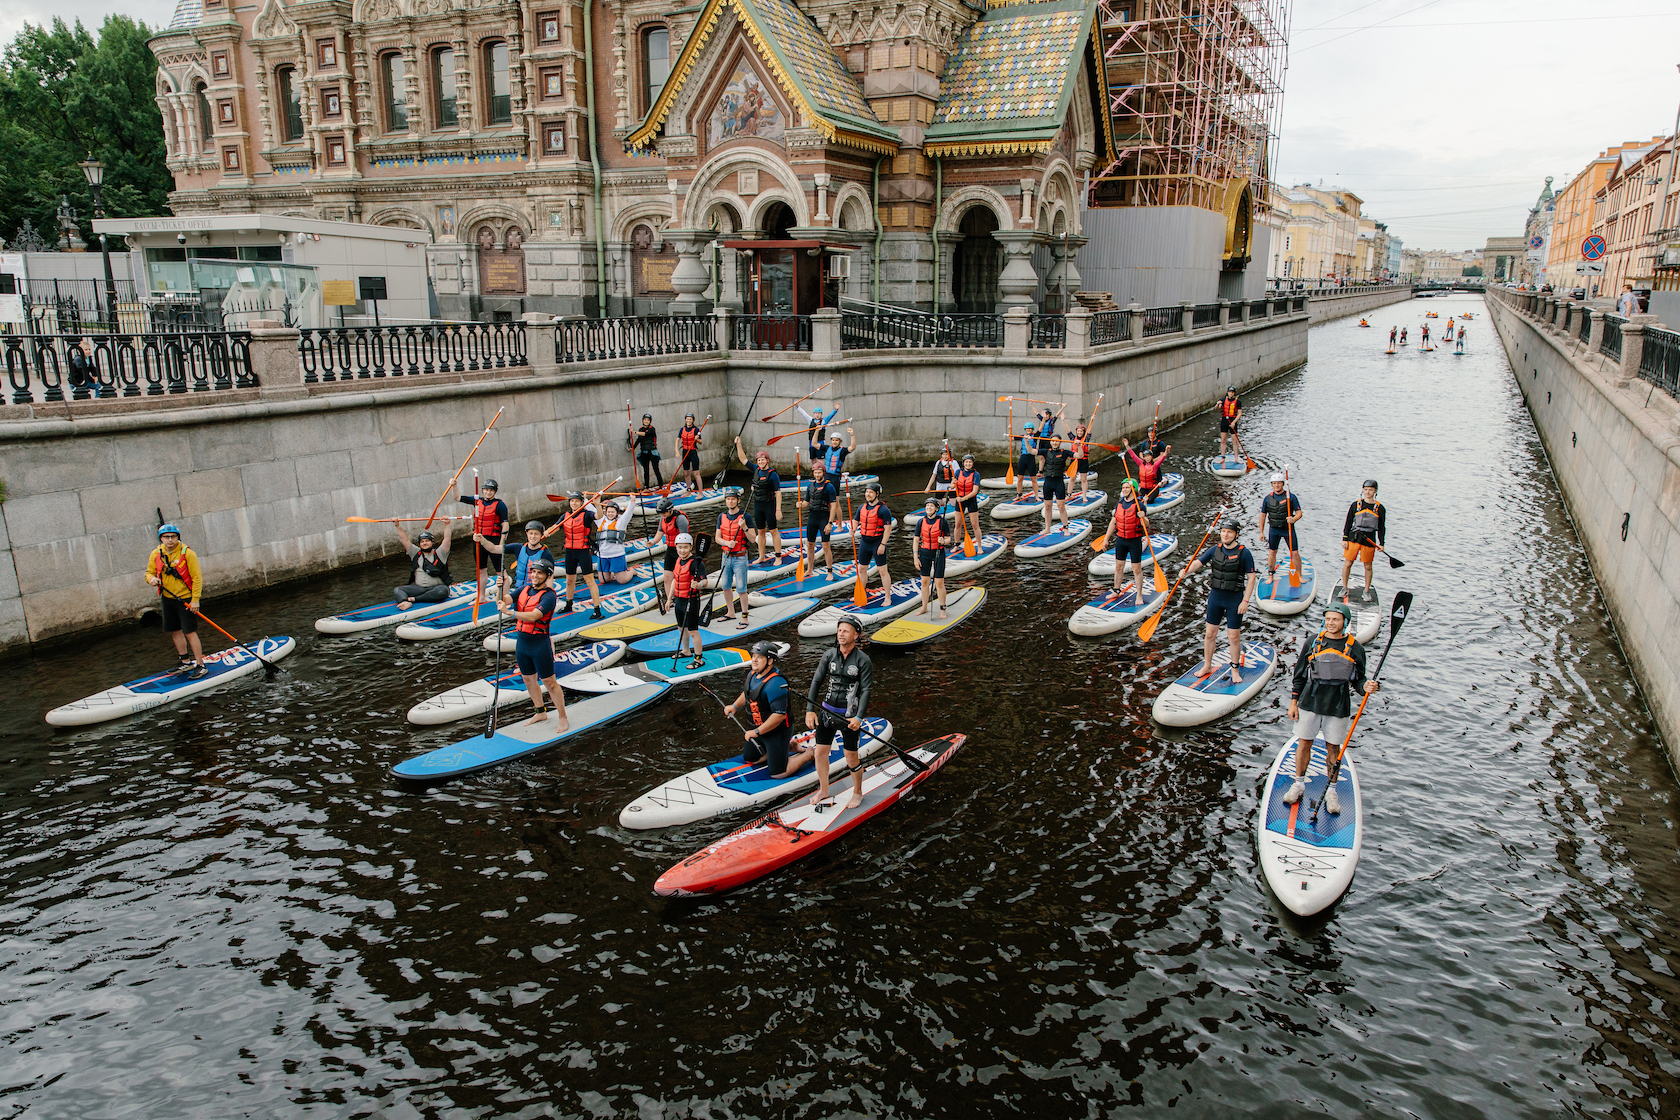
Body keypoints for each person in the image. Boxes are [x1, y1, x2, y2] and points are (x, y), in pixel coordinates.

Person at [1283, 600, 1378, 813]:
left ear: (1345, 622)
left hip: (1338, 703)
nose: (1330, 623)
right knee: (1304, 743)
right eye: (1327, 619)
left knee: (1333, 748)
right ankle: (1298, 784)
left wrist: (1368, 687)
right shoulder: (1312, 642)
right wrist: (1293, 703)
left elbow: (1358, 682)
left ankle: (1332, 791)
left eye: (1335, 619)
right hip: (1310, 700)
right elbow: (1299, 675)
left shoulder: (1356, 648)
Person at [803, 615, 874, 809]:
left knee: (851, 756)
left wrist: (859, 716)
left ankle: (857, 792)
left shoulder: (863, 660)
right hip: (826, 712)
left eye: (845, 631)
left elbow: (866, 689)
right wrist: (810, 710)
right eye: (839, 630)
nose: (841, 634)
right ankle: (824, 790)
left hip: (848, 716)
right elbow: (816, 682)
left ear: (856, 634)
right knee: (820, 753)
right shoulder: (829, 655)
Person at [1183, 517, 1258, 684]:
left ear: (1236, 534)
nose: (1225, 534)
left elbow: (1252, 578)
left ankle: (1235, 669)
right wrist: (1186, 571)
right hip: (1215, 597)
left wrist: (1245, 601)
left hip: (1234, 599)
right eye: (1223, 531)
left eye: (1229, 532)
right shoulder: (1214, 550)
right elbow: (1198, 563)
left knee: (1233, 637)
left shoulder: (1244, 553)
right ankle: (1207, 665)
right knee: (1210, 633)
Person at [498, 557, 568, 729]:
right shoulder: (524, 588)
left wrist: (510, 613)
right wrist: (503, 585)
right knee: (528, 679)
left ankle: (563, 717)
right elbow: (505, 600)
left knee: (549, 682)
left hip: (539, 644)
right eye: (534, 572)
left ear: (547, 576)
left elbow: (534, 616)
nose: (535, 576)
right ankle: (540, 712)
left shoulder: (549, 596)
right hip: (522, 642)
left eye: (539, 573)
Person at [726, 641, 795, 776]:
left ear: (770, 661)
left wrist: (756, 732)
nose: (754, 660)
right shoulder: (752, 674)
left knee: (777, 773)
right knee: (750, 759)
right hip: (759, 730)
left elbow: (779, 715)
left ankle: (808, 754)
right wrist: (734, 706)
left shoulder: (776, 683)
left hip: (777, 732)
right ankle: (789, 747)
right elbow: (748, 694)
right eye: (754, 656)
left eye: (759, 657)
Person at [147, 523, 207, 677]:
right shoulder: (156, 554)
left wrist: (195, 600)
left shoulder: (188, 554)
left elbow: (197, 578)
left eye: (173, 537)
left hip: (185, 599)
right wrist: (151, 579)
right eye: (166, 537)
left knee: (189, 632)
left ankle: (200, 664)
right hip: (168, 599)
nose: (170, 540)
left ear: (177, 538)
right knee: (175, 631)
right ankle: (185, 661)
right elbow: (149, 573)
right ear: (161, 539)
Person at [552, 491, 605, 617]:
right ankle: (569, 604)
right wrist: (545, 533)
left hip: (583, 552)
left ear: (581, 502)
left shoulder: (586, 515)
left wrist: (597, 505)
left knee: (589, 580)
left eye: (577, 501)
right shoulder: (565, 515)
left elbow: (599, 516)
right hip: (570, 552)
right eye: (572, 501)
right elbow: (555, 527)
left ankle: (597, 609)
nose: (574, 503)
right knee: (569, 580)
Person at [460, 479, 509, 605]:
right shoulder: (477, 501)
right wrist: (453, 485)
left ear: (494, 492)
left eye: (491, 490)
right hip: (478, 541)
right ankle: (481, 597)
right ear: (482, 490)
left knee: (500, 572)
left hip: (494, 541)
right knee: (481, 570)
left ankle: (505, 597)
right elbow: (457, 497)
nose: (488, 492)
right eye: (486, 490)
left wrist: (502, 542)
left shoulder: (500, 505)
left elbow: (505, 524)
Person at [1337, 479, 1386, 604]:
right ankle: (1344, 587)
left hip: (1369, 540)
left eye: (1370, 490)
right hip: (1354, 538)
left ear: (1375, 491)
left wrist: (1381, 543)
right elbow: (1348, 522)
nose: (1367, 492)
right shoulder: (1356, 505)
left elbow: (1381, 527)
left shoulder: (1380, 508)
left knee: (1368, 566)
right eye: (1365, 489)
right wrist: (1345, 538)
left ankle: (1366, 590)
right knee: (1348, 563)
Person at [735, 440, 783, 562]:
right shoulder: (756, 469)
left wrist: (778, 510)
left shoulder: (773, 475)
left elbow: (778, 493)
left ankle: (778, 557)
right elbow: (743, 459)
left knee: (773, 531)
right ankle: (761, 557)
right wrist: (739, 444)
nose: (761, 462)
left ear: (767, 461)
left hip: (769, 505)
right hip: (758, 504)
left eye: (763, 459)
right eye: (759, 460)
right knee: (760, 531)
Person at [1258, 472, 1303, 596]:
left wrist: (1293, 519)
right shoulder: (1267, 498)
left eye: (1278, 483)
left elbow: (1299, 513)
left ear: (1283, 484)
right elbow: (1262, 515)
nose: (1276, 485)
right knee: (1272, 552)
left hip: (1287, 529)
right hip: (1274, 529)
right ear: (1272, 485)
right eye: (1274, 483)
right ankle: (1271, 574)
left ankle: (1299, 575)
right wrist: (1261, 532)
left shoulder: (1291, 497)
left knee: (1294, 553)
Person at [714, 488, 754, 628]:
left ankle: (744, 617)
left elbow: (753, 539)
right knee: (725, 587)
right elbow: (717, 538)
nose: (730, 501)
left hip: (740, 558)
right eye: (728, 499)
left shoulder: (746, 517)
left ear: (738, 500)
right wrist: (726, 543)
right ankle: (730, 612)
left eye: (732, 499)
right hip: (726, 556)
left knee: (741, 589)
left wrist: (745, 528)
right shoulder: (721, 516)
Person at [391, 525, 454, 611]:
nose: (424, 543)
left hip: (437, 588)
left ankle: (415, 599)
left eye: (427, 541)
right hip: (420, 588)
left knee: (441, 592)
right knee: (398, 590)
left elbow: (447, 539)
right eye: (422, 541)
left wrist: (447, 523)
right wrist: (397, 526)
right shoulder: (415, 553)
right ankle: (405, 602)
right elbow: (404, 540)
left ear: (432, 542)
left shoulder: (440, 553)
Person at [669, 533, 708, 669]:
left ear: (691, 547)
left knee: (693, 631)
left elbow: (705, 581)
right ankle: (686, 651)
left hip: (691, 600)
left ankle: (698, 659)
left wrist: (698, 585)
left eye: (685, 547)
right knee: (681, 628)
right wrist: (669, 599)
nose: (682, 550)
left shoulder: (696, 563)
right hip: (679, 600)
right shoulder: (678, 560)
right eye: (680, 547)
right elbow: (675, 580)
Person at [1106, 480, 1151, 595]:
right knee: (1118, 567)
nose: (1124, 489)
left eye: (1127, 487)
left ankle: (1139, 595)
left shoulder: (1139, 505)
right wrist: (1106, 539)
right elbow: (1113, 522)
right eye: (1123, 488)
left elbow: (1146, 525)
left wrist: (1143, 518)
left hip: (1134, 541)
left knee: (1136, 569)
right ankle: (1116, 590)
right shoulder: (1119, 504)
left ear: (1133, 489)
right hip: (1121, 540)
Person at [853, 483, 896, 594]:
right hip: (864, 543)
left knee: (882, 571)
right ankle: (861, 593)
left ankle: (887, 597)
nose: (868, 494)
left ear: (877, 494)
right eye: (867, 492)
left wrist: (882, 544)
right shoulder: (861, 507)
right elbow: (856, 520)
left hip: (877, 543)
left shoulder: (883, 510)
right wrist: (853, 529)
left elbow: (888, 529)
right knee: (862, 569)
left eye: (870, 492)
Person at [797, 462, 840, 571]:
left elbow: (834, 506)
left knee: (825, 546)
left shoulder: (829, 487)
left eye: (819, 472)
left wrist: (830, 523)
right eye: (815, 472)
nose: (817, 474)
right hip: (812, 518)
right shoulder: (810, 486)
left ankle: (830, 570)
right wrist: (801, 505)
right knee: (810, 545)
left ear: (823, 473)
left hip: (824, 518)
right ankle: (809, 569)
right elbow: (807, 502)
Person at [913, 497, 951, 618]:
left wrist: (943, 541)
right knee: (924, 582)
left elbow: (949, 539)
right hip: (924, 553)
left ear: (936, 508)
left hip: (938, 553)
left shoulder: (942, 522)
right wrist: (915, 557)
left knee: (939, 582)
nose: (928, 508)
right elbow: (916, 540)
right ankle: (924, 607)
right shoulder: (920, 522)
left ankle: (942, 609)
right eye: (927, 506)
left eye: (931, 506)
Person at [595, 498, 638, 584]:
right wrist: (585, 500)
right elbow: (591, 509)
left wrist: (632, 502)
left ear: (616, 513)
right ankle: (612, 573)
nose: (610, 514)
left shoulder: (620, 522)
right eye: (609, 512)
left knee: (622, 580)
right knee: (604, 580)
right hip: (603, 555)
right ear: (605, 512)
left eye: (612, 512)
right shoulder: (600, 521)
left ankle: (631, 571)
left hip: (616, 555)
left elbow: (628, 514)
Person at [656, 498, 691, 603]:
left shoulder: (680, 519)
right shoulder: (663, 518)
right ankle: (669, 600)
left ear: (670, 510)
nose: (662, 515)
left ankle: (685, 597)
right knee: (667, 577)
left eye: (664, 513)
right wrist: (652, 542)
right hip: (670, 550)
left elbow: (684, 538)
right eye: (661, 513)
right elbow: (659, 533)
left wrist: (682, 552)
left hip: (681, 550)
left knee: (681, 576)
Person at [1123, 435, 1172, 505]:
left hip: (1153, 488)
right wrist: (1127, 446)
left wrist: (1166, 452)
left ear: (1151, 457)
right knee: (1133, 497)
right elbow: (1133, 456)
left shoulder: (1155, 465)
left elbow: (1162, 459)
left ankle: (1163, 483)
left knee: (1149, 500)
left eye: (1149, 456)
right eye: (1146, 457)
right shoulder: (1140, 464)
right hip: (1143, 488)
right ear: (1144, 457)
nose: (1147, 458)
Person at [508, 521, 555, 593]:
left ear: (541, 535)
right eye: (531, 533)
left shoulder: (546, 554)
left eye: (536, 534)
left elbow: (550, 578)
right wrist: (484, 541)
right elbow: (495, 549)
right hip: (518, 590)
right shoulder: (518, 547)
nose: (533, 536)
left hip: (534, 592)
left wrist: (549, 595)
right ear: (527, 534)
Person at [1040, 436, 1074, 534]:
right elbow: (1031, 451)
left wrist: (1078, 445)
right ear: (1050, 442)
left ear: (1060, 442)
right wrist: (1026, 440)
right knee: (1047, 506)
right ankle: (1047, 528)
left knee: (1061, 506)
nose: (1055, 443)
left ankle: (1066, 528)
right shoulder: (1046, 452)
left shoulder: (1065, 452)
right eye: (1053, 441)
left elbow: (1079, 455)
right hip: (1048, 482)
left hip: (1059, 482)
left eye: (1057, 441)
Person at [954, 454, 983, 545]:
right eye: (966, 462)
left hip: (971, 500)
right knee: (958, 525)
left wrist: (964, 499)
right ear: (963, 463)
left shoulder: (976, 474)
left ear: (972, 463)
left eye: (970, 462)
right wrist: (953, 483)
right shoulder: (958, 472)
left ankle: (979, 546)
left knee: (975, 525)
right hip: (959, 500)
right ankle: (956, 544)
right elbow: (951, 486)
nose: (968, 464)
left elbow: (974, 491)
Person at [633, 414, 662, 488]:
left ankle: (660, 486)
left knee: (656, 469)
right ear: (643, 420)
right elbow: (639, 439)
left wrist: (634, 432)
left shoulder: (652, 429)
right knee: (646, 470)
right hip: (644, 452)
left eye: (648, 420)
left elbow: (645, 434)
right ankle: (646, 487)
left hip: (652, 451)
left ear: (650, 421)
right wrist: (633, 447)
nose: (646, 421)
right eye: (645, 419)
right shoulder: (641, 429)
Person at [677, 413, 704, 491]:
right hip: (685, 452)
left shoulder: (696, 430)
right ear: (685, 419)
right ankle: (688, 490)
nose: (688, 421)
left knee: (696, 474)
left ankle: (700, 492)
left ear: (693, 420)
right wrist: (676, 451)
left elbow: (701, 442)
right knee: (686, 473)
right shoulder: (682, 429)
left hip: (693, 452)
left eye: (690, 419)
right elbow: (677, 440)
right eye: (687, 419)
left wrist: (697, 439)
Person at [1014, 422, 1040, 500]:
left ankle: (1037, 496)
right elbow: (1011, 437)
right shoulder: (1022, 437)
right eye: (1027, 429)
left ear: (1032, 430)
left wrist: (1044, 419)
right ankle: (1018, 495)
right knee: (1020, 478)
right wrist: (1009, 428)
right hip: (1023, 458)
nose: (1028, 430)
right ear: (1025, 429)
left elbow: (1040, 429)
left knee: (1033, 479)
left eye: (1030, 429)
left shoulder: (1035, 436)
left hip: (1031, 459)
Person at [1217, 387, 1243, 460]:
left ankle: (1236, 458)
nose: (1231, 393)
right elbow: (1216, 409)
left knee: (1234, 440)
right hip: (1224, 421)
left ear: (1234, 393)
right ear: (1227, 392)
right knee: (1223, 440)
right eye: (1229, 392)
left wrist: (1234, 422)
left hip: (1233, 421)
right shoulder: (1223, 400)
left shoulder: (1238, 401)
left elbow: (1240, 413)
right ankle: (1222, 457)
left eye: (1232, 392)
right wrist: (1217, 404)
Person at [1068, 420, 1092, 496]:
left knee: (1083, 479)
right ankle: (1069, 494)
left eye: (1081, 431)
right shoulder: (1073, 438)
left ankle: (1084, 495)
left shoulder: (1086, 439)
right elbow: (1067, 430)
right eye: (1078, 431)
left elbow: (1090, 431)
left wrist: (1092, 420)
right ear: (1076, 431)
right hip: (1074, 460)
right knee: (1072, 479)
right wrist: (1063, 420)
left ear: (1083, 432)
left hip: (1083, 461)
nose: (1079, 432)